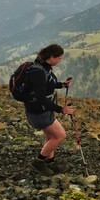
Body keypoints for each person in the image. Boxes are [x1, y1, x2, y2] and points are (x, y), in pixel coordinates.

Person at [25, 44, 74, 176]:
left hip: (43, 110)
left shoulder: (44, 67)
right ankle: (39, 162)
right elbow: (41, 98)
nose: (60, 61)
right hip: (39, 111)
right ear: (51, 57)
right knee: (60, 135)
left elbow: (48, 84)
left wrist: (62, 84)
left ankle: (50, 162)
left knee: (51, 136)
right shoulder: (39, 72)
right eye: (59, 58)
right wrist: (61, 110)